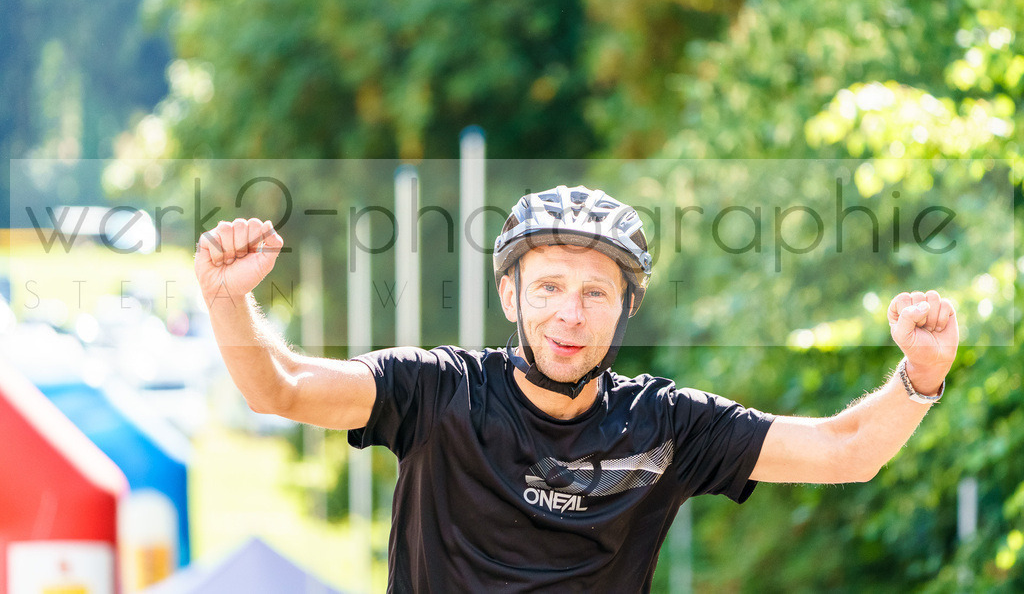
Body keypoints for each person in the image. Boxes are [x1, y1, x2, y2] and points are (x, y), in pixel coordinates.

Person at [194, 184, 959, 593]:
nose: (569, 313)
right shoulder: (437, 391)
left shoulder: (666, 425)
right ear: (508, 294)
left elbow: (845, 450)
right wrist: (228, 298)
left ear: (628, 305)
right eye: (549, 285)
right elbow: (283, 387)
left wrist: (920, 373)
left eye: (595, 293)